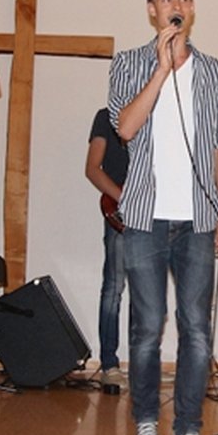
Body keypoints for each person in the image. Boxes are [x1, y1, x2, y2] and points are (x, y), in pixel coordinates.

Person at [107, 0, 218, 435]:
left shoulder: (213, 71)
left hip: (197, 220)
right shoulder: (128, 63)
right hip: (146, 217)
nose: (176, 5)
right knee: (147, 327)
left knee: (197, 330)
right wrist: (161, 69)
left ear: (193, 6)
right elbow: (125, 127)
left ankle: (189, 430)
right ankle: (146, 420)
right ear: (152, 10)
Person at [84, 107, 129, 391]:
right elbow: (92, 169)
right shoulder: (106, 116)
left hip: (154, 214)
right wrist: (123, 198)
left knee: (148, 291)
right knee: (113, 288)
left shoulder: (156, 113)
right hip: (120, 213)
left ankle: (144, 363)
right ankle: (109, 364)